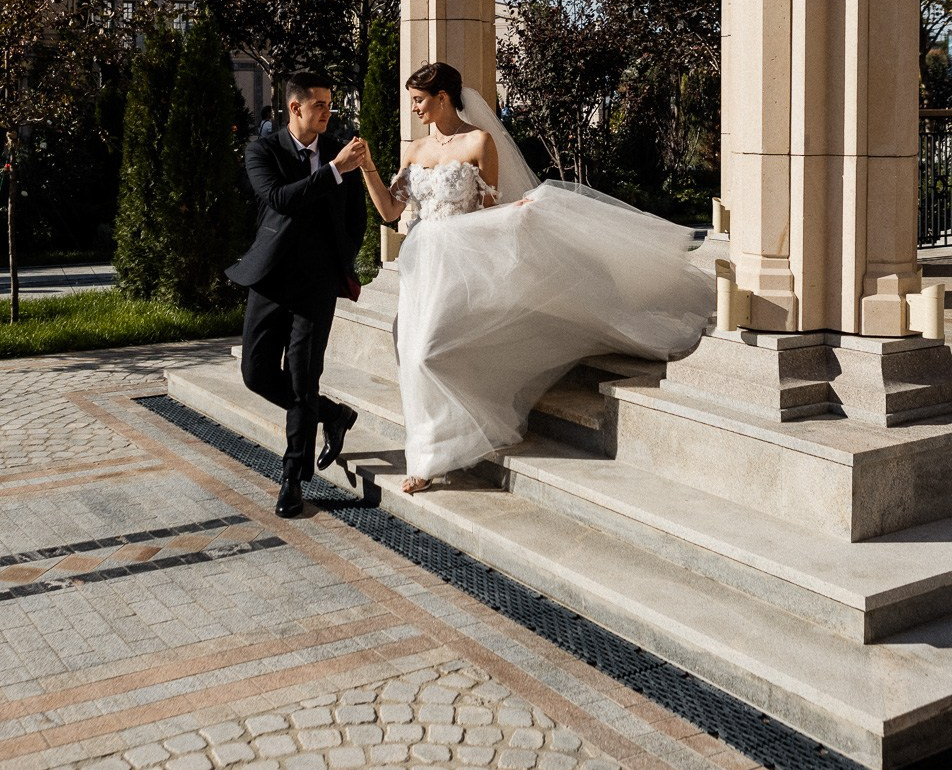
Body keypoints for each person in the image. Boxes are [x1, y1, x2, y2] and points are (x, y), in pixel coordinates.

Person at [360, 61, 713, 496]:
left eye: (419, 100)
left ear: (443, 98)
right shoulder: (414, 150)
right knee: (413, 356)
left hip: (461, 260)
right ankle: (428, 456)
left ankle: (447, 442)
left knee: (428, 354)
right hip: (421, 264)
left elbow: (487, 210)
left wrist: (515, 213)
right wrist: (367, 168)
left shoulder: (479, 141)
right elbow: (391, 212)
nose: (413, 108)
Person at [226, 70, 367, 518]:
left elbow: (356, 216)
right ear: (295, 108)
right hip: (270, 279)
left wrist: (341, 255)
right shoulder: (263, 149)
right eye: (319, 105)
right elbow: (280, 198)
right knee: (256, 372)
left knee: (304, 379)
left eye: (330, 104)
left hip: (317, 284)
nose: (328, 112)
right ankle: (334, 414)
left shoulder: (338, 150)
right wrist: (332, 171)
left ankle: (292, 477)